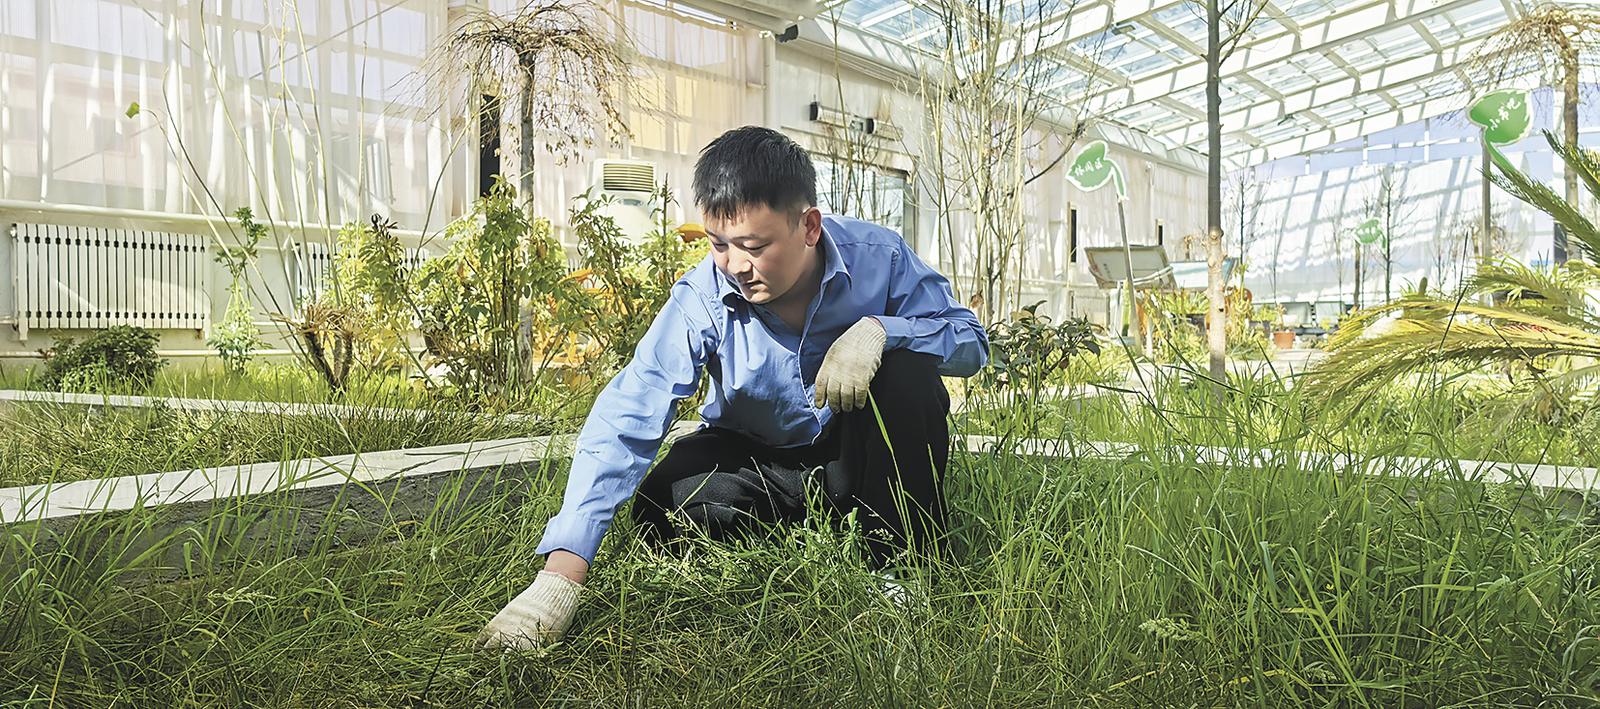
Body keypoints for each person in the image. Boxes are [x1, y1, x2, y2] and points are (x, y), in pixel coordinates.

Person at [477, 126, 988, 650]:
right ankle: (817, 534)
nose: (736, 266)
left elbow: (971, 342)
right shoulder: (703, 294)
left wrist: (882, 330)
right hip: (758, 461)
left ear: (809, 227)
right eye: (719, 244)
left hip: (853, 454)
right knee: (661, 503)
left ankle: (899, 567)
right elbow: (632, 407)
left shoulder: (880, 256)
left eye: (754, 246)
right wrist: (562, 574)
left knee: (909, 376)